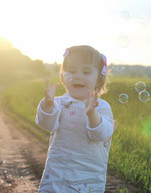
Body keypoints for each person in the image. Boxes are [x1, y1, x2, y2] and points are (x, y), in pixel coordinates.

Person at [36, 45, 115, 192]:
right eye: (71, 71)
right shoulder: (59, 103)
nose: (78, 76)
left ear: (98, 79)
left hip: (86, 180)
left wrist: (92, 114)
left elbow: (102, 134)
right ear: (63, 77)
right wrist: (47, 104)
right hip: (55, 178)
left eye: (86, 71)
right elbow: (46, 123)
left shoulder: (102, 107)